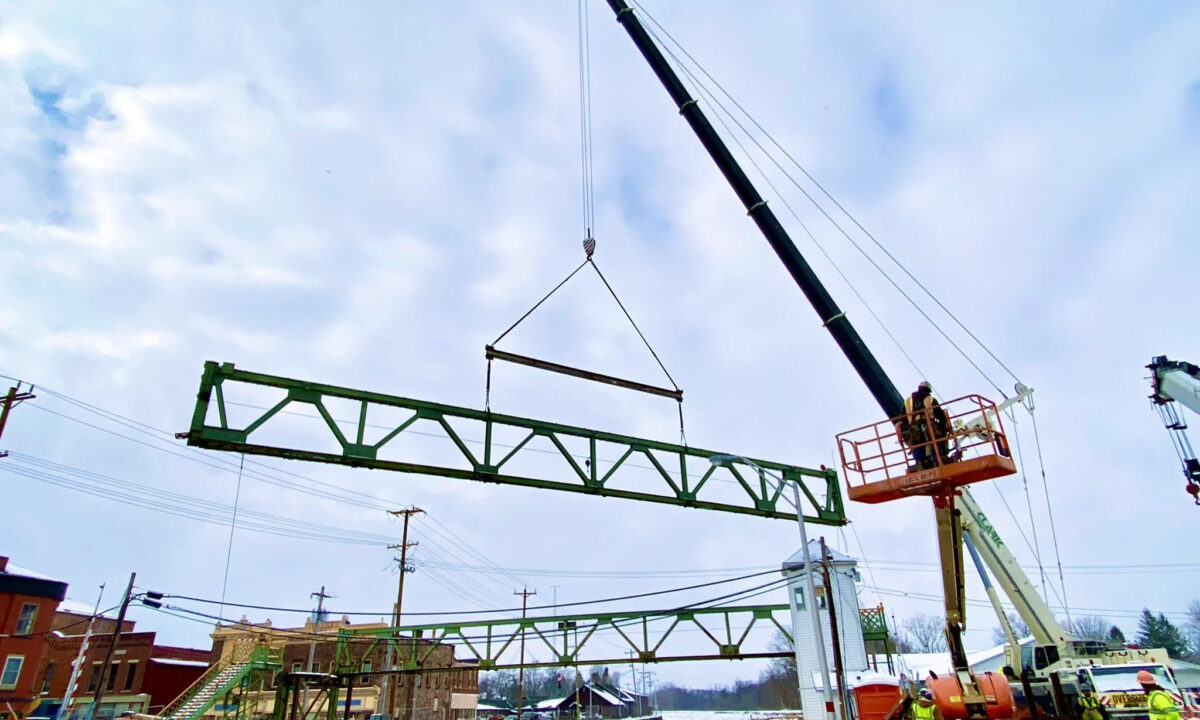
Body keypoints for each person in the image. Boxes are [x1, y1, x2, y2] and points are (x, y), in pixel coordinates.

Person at [896, 382, 952, 471]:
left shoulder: (907, 401)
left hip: (914, 428)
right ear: (929, 390)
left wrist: (908, 429)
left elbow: (902, 418)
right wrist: (944, 429)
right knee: (935, 440)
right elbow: (940, 415)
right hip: (930, 426)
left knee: (917, 444)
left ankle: (920, 464)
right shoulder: (931, 399)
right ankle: (937, 461)